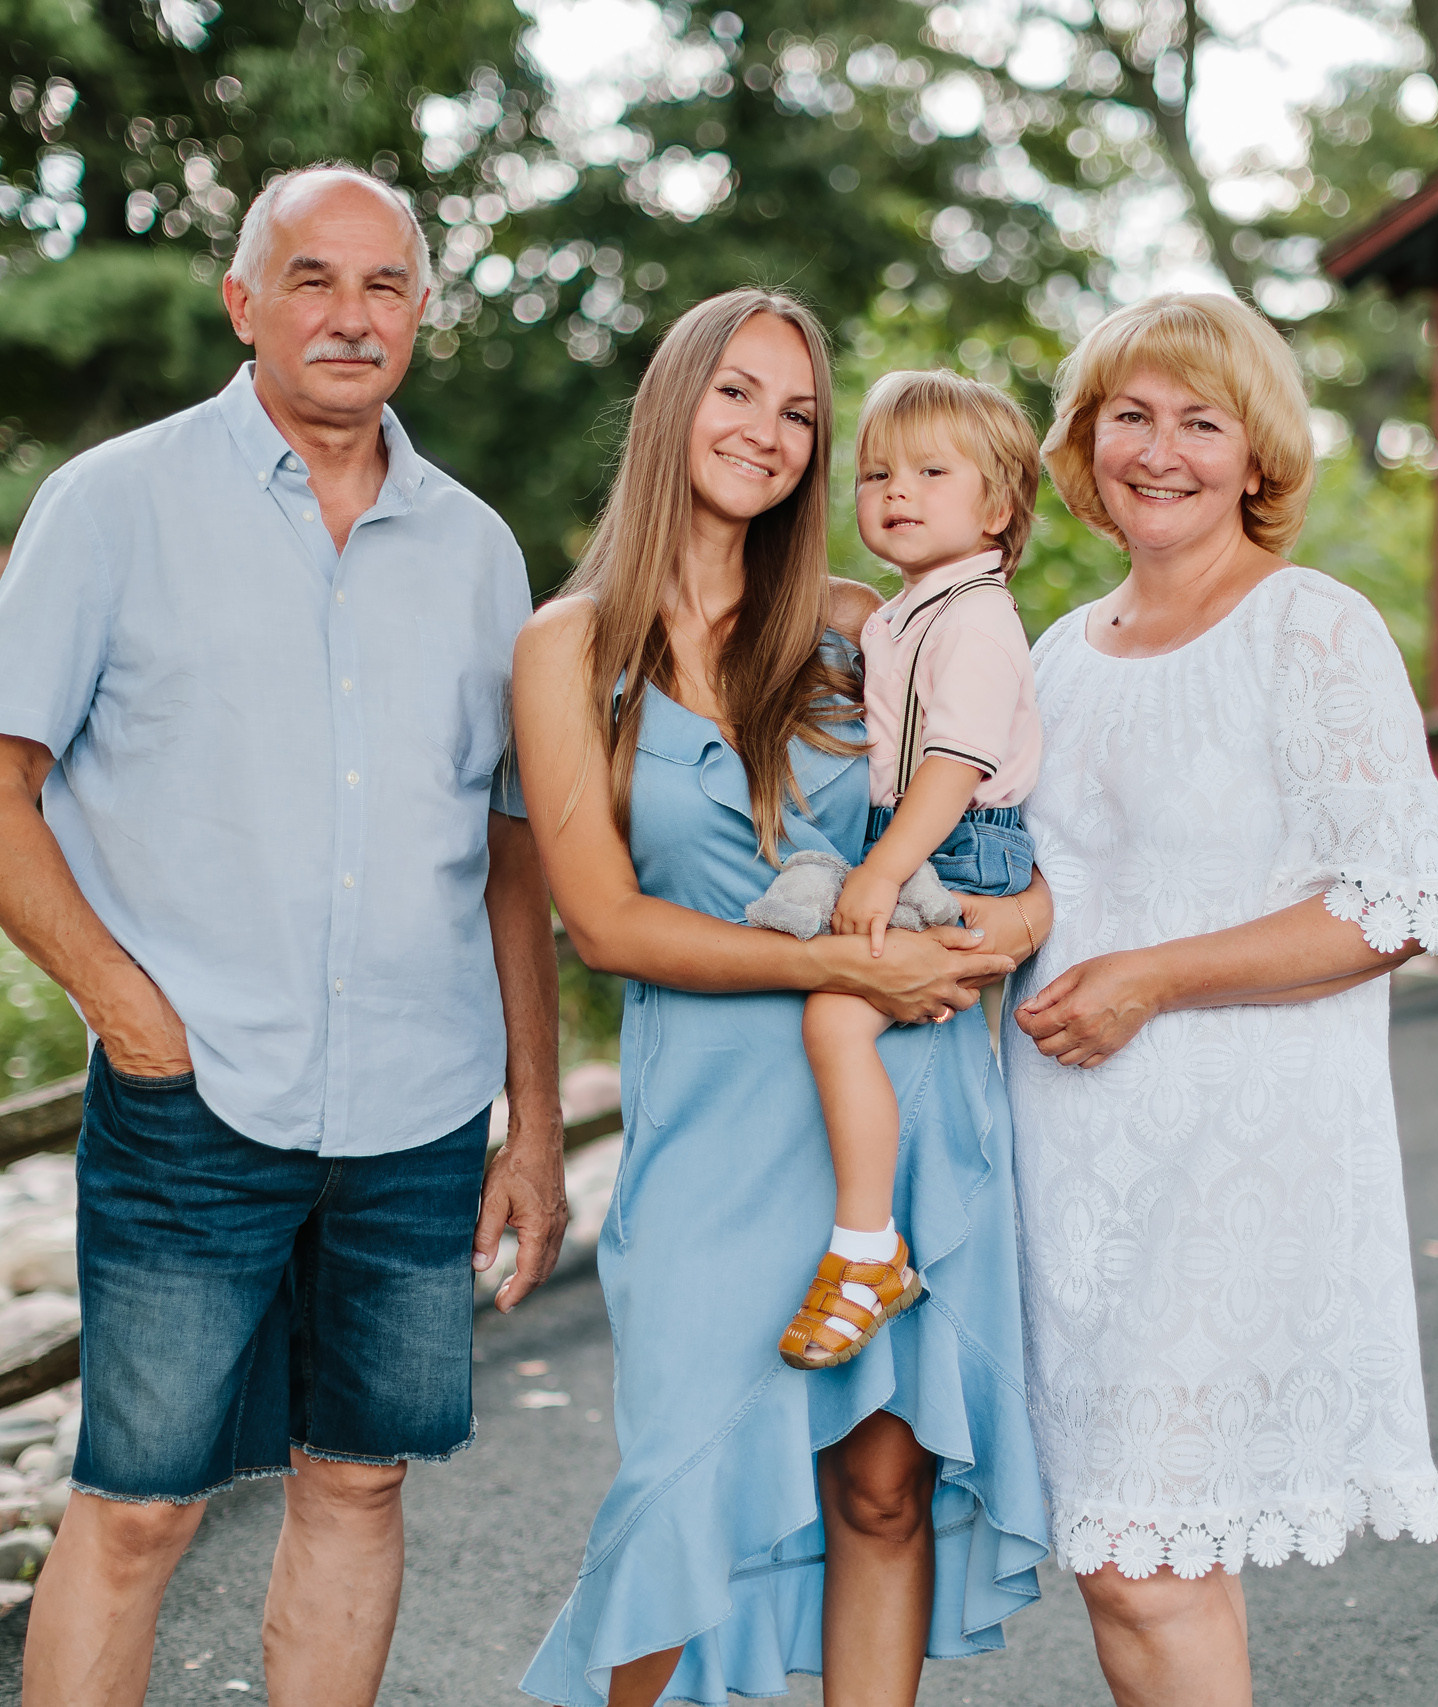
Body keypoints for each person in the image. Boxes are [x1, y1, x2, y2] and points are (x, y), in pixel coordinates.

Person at [0, 164, 567, 1707]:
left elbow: (507, 852)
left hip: (418, 1108)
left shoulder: (479, 548)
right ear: (244, 301)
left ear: (423, 311)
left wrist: (532, 1120)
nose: (351, 316)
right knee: (141, 1501)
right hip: (189, 1100)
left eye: (385, 286)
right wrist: (130, 1013)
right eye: (312, 279)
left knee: (359, 1481)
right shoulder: (113, 502)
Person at [511, 290, 1053, 1707]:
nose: (769, 431)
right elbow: (608, 921)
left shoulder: (867, 624)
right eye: (738, 392)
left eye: (802, 413)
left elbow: (1004, 820)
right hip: (713, 1130)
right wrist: (843, 959)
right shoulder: (568, 650)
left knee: (882, 1490)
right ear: (671, 403)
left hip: (903, 1101)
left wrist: (1023, 917)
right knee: (677, 1492)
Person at [1004, 291, 1438, 1707]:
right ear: (1085, 442)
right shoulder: (1055, 653)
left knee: (1152, 1556)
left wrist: (1153, 973)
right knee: (1115, 1553)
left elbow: (1390, 901)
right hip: (1068, 1165)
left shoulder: (1313, 631)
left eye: (1201, 422)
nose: (1161, 450)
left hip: (1233, 1165)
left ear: (1257, 455)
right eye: (1129, 415)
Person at [743, 370, 1045, 1373]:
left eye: (928, 471)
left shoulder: (976, 620)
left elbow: (956, 766)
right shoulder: (907, 609)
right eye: (875, 474)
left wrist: (882, 872)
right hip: (912, 832)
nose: (895, 492)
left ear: (998, 507)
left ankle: (866, 1248)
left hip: (953, 842)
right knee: (809, 939)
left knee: (834, 1013)